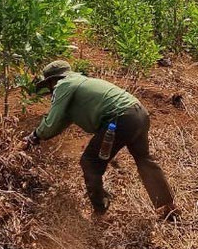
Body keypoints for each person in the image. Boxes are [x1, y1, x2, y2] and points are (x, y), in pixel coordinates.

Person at [22, 60, 178, 220]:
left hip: (120, 117)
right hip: (139, 113)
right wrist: (40, 136)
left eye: (48, 85)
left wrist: (34, 136)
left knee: (89, 162)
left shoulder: (64, 85)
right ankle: (168, 207)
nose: (49, 90)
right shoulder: (80, 82)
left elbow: (53, 120)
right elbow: (61, 121)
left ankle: (100, 210)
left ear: (52, 80)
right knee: (144, 159)